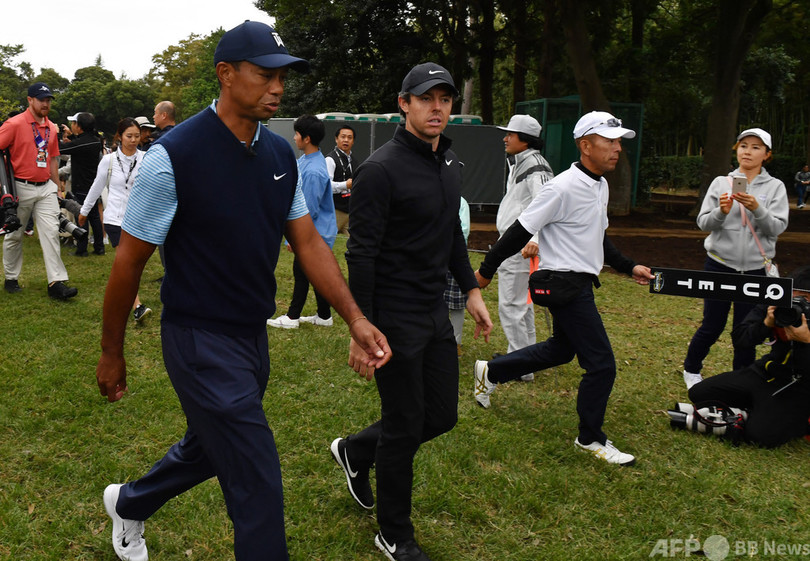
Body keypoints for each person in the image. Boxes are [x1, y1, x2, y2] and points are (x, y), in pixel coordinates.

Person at [96, 21, 390, 561]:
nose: (278, 87)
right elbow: (127, 265)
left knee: (211, 446)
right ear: (226, 75)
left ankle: (131, 503)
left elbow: (308, 245)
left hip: (251, 339)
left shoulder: (280, 157)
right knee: (257, 482)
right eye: (265, 74)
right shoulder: (173, 156)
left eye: (283, 76)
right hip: (197, 338)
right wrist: (112, 352)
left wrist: (354, 316)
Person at [330, 62, 492, 561]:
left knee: (440, 416)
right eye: (427, 98)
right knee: (403, 424)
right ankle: (394, 532)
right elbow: (361, 252)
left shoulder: (449, 162)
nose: (438, 106)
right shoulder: (380, 169)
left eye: (445, 98)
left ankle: (356, 450)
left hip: (433, 312)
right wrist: (363, 327)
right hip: (393, 316)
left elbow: (449, 235)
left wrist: (471, 289)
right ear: (404, 104)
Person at [472, 111, 653, 467]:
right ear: (586, 145)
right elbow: (519, 232)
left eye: (619, 142)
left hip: (579, 282)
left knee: (561, 350)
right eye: (609, 141)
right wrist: (485, 271)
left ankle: (491, 372)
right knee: (601, 365)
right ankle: (590, 438)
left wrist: (628, 266)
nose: (617, 149)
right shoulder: (562, 186)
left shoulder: (599, 185)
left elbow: (598, 240)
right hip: (563, 284)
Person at [682, 128, 788, 390]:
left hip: (755, 270)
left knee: (746, 330)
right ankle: (692, 369)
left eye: (755, 147)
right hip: (719, 264)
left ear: (767, 155)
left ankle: (741, 378)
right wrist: (721, 211)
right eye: (743, 146)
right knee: (712, 324)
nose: (747, 152)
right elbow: (703, 222)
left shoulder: (775, 187)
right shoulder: (721, 182)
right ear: (736, 150)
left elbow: (776, 227)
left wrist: (757, 208)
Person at [676, 265, 810, 448]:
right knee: (699, 393)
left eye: (806, 300)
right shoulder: (776, 302)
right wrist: (765, 324)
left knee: (761, 436)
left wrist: (807, 341)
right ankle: (756, 412)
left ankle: (787, 419)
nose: (799, 304)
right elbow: (740, 339)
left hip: (799, 387)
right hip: (766, 373)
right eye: (795, 297)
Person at [0, 82, 78, 300]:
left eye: (48, 100)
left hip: (45, 188)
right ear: (30, 100)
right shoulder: (14, 124)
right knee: (15, 235)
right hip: (20, 187)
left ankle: (56, 282)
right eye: (41, 100)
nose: (46, 104)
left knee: (52, 233)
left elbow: (52, 160)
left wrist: (57, 188)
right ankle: (11, 278)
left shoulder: (51, 128)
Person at [493, 114, 554, 381]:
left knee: (511, 304)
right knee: (521, 304)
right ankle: (524, 360)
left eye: (510, 134)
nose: (505, 138)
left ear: (525, 139)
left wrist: (535, 239)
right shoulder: (523, 162)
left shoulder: (535, 165)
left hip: (520, 246)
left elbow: (545, 203)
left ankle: (518, 365)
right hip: (518, 244)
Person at [268, 114, 337, 328]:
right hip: (314, 232)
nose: (295, 137)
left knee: (302, 273)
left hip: (314, 233)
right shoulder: (306, 160)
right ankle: (324, 316)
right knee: (314, 274)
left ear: (306, 138)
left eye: (297, 134)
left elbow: (309, 209)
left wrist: (294, 238)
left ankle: (292, 317)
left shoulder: (315, 170)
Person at [79, 117, 151, 322]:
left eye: (137, 136)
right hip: (115, 219)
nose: (133, 140)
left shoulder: (146, 158)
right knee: (127, 262)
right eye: (129, 136)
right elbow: (96, 186)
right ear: (119, 137)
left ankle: (121, 294)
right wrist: (84, 211)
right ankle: (137, 305)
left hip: (138, 218)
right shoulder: (108, 161)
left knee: (132, 264)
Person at [59, 111, 104, 256]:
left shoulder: (82, 143)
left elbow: (61, 149)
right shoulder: (96, 140)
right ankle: (99, 247)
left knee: (81, 216)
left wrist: (54, 134)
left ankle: (82, 249)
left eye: (73, 123)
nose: (71, 126)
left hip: (81, 186)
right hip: (92, 184)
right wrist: (71, 135)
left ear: (79, 126)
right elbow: (78, 144)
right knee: (95, 217)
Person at [445, 196, 470, 356]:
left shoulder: (460, 202)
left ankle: (455, 343)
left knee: (456, 304)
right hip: (430, 259)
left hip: (453, 260)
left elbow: (464, 230)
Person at [325, 124, 356, 234]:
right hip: (334, 211)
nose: (346, 140)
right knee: (325, 242)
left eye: (349, 137)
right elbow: (326, 185)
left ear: (353, 141)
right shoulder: (330, 159)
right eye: (343, 137)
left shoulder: (353, 160)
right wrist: (345, 185)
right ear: (336, 139)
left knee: (357, 243)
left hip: (350, 210)